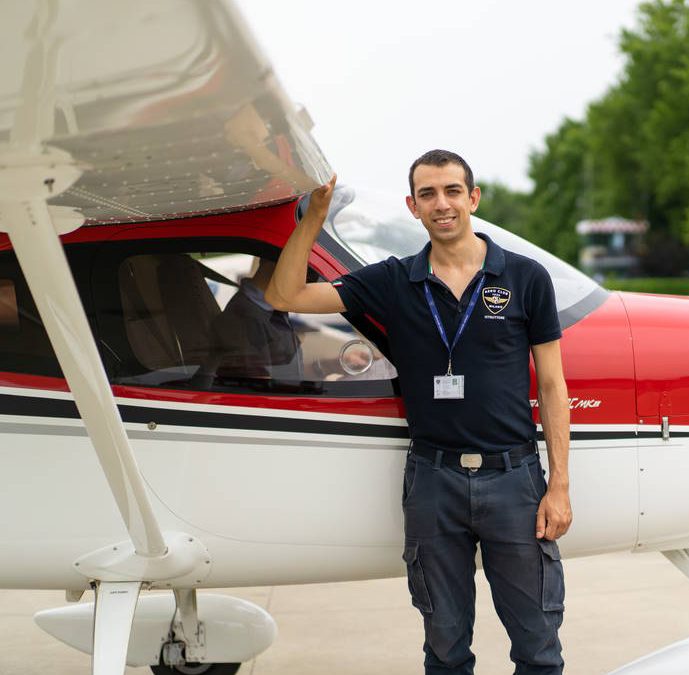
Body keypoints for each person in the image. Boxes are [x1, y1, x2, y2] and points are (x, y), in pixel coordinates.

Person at [266, 149, 572, 674]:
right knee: (445, 650)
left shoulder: (525, 278)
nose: (442, 204)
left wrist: (559, 486)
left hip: (514, 479)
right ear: (413, 206)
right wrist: (313, 218)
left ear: (473, 198)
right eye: (428, 194)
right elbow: (284, 294)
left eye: (452, 191)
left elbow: (551, 386)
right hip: (433, 482)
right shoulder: (391, 282)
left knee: (539, 649)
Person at [210, 258, 303, 381]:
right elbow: (260, 387)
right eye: (302, 264)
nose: (304, 275)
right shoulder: (243, 319)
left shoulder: (269, 309)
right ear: (277, 264)